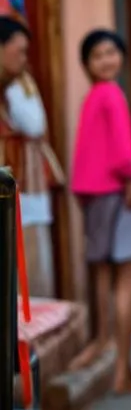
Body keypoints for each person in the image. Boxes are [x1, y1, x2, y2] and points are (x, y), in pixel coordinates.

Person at [70, 29, 131, 394]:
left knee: (102, 274)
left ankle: (104, 342)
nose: (107, 59)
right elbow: (123, 149)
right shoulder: (111, 93)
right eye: (98, 55)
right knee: (126, 280)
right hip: (113, 189)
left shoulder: (94, 94)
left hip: (92, 192)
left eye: (111, 52)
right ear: (87, 65)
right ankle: (118, 366)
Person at [0, 17, 64, 298]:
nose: (25, 60)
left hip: (23, 186)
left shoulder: (18, 85)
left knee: (30, 263)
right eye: (20, 51)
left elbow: (34, 126)